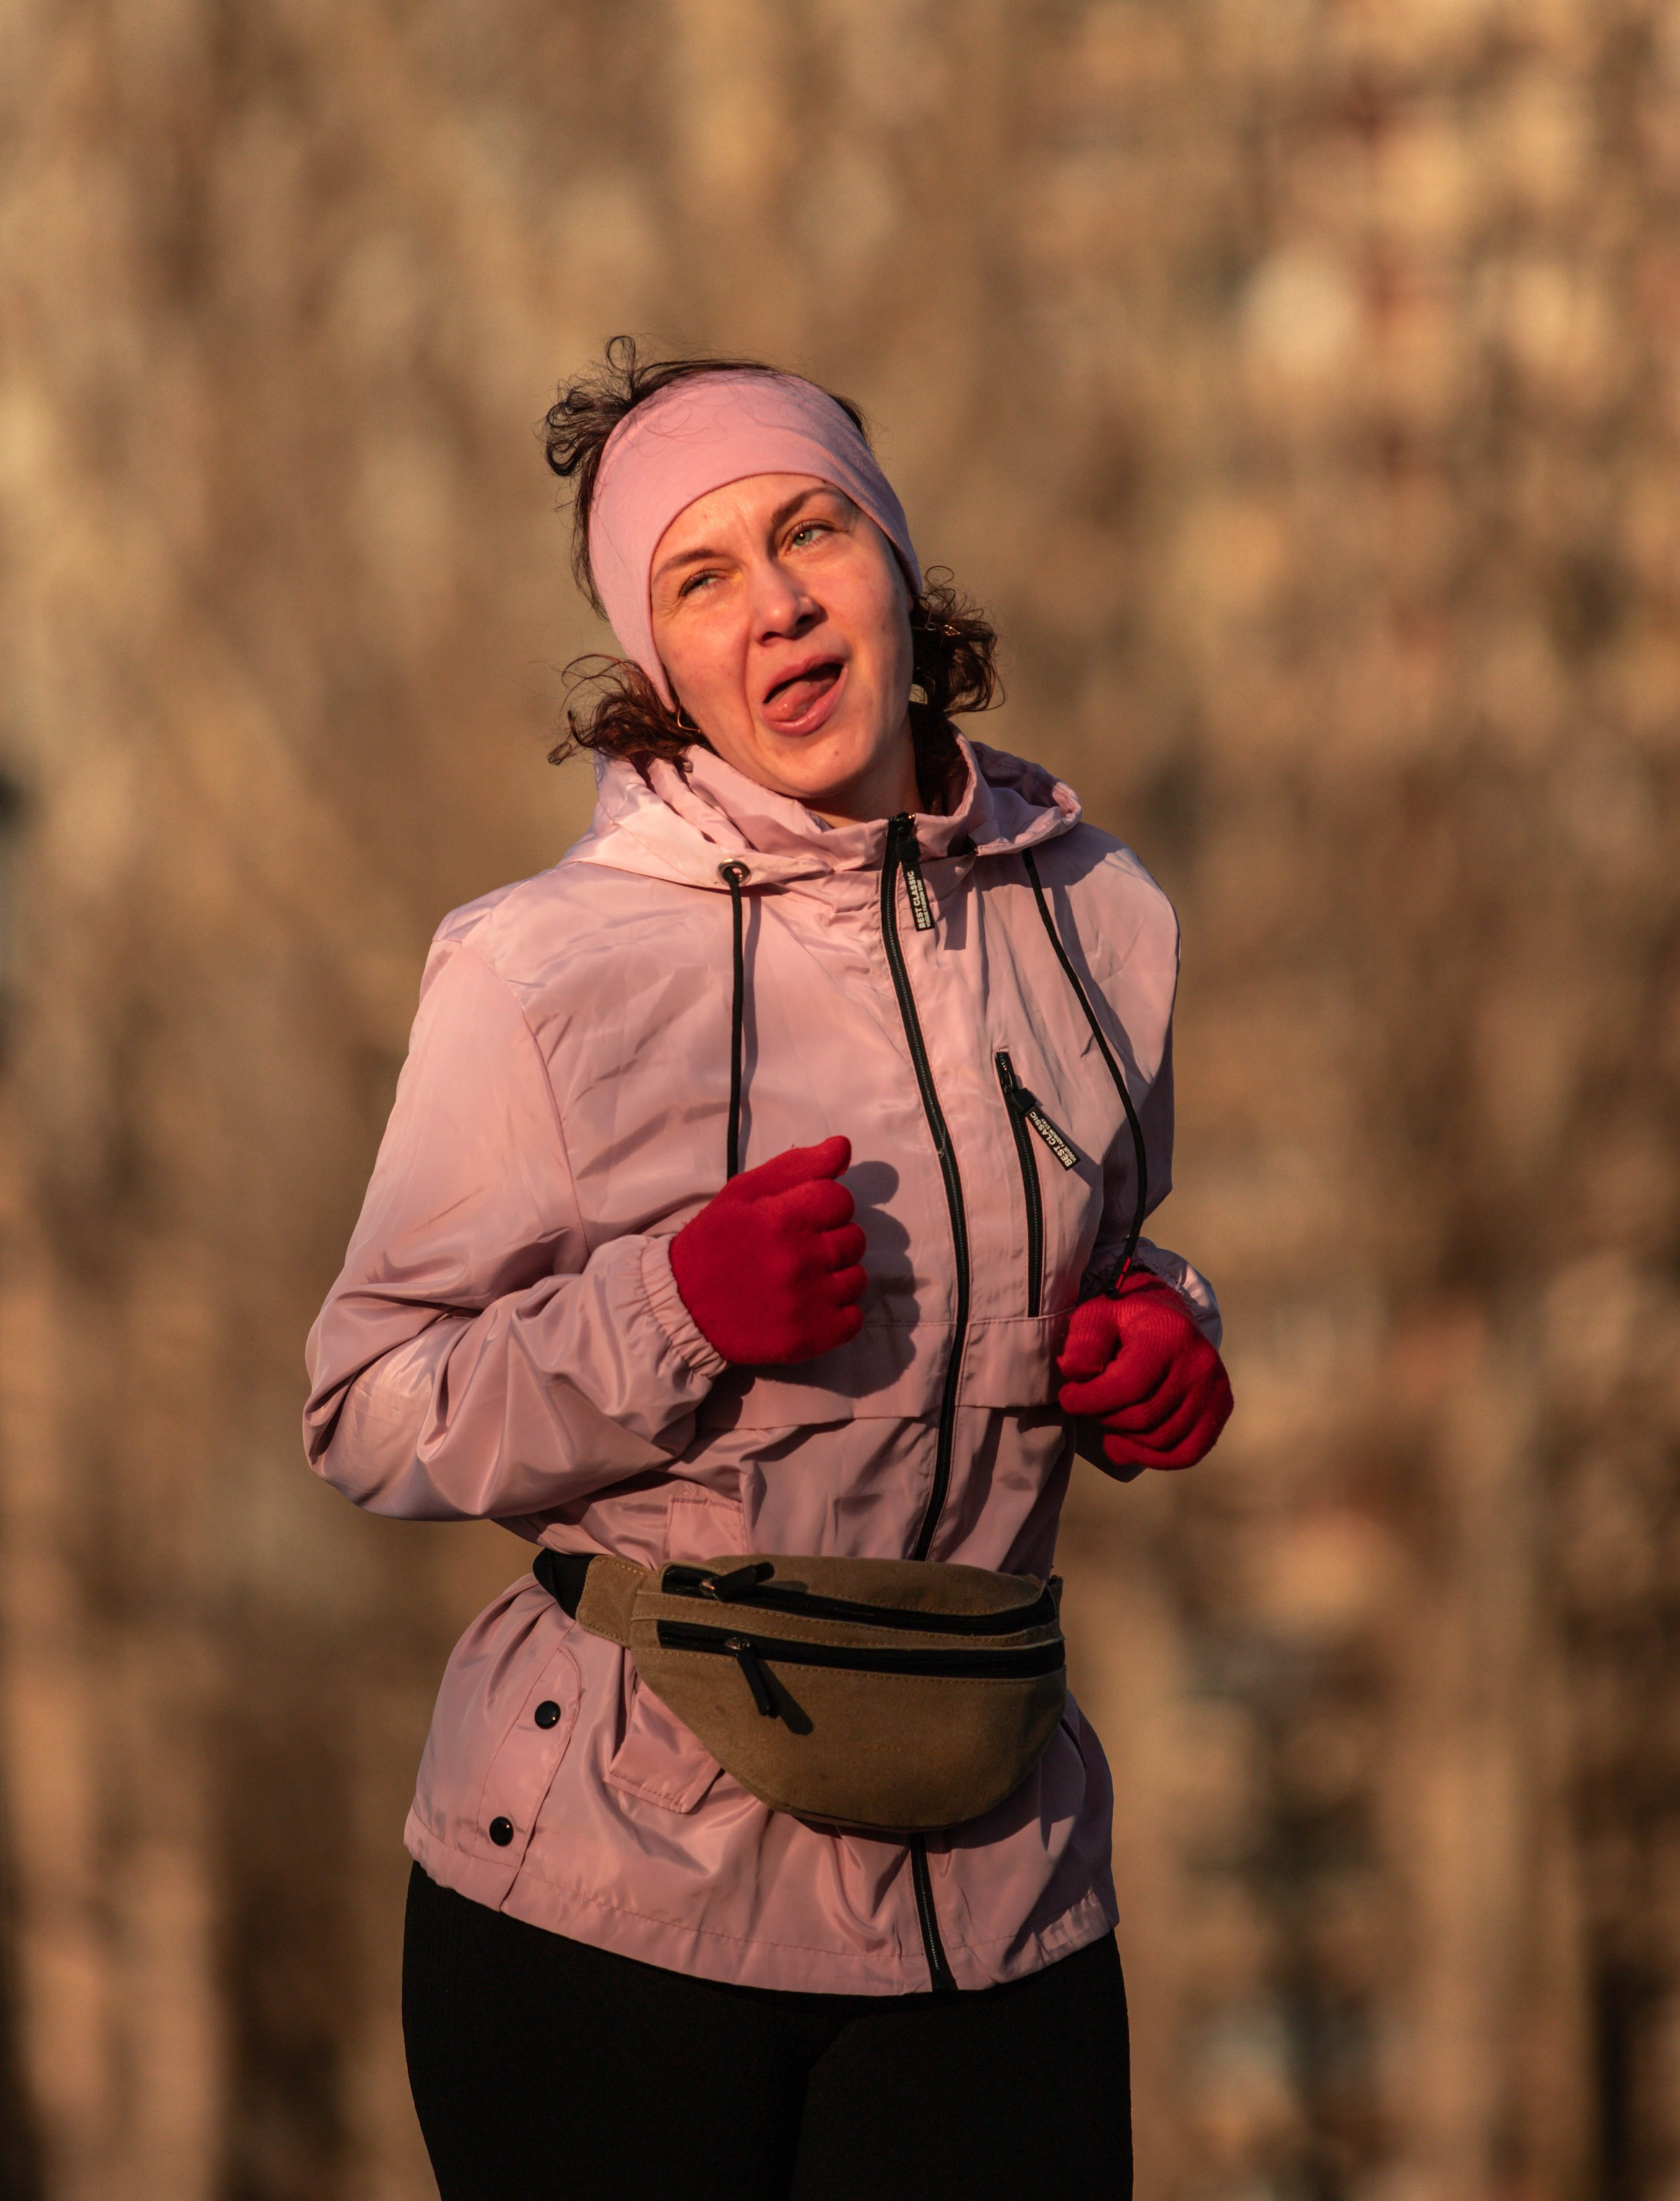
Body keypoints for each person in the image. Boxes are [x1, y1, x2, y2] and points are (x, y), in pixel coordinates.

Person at [304, 345, 1232, 2201]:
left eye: (812, 530)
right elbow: (368, 1410)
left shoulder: (1101, 917)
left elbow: (1087, 1238)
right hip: (605, 1901)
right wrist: (674, 1311)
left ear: (896, 559)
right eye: (699, 576)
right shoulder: (540, 971)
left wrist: (1160, 1338)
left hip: (995, 1887)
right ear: (653, 665)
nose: (779, 603)